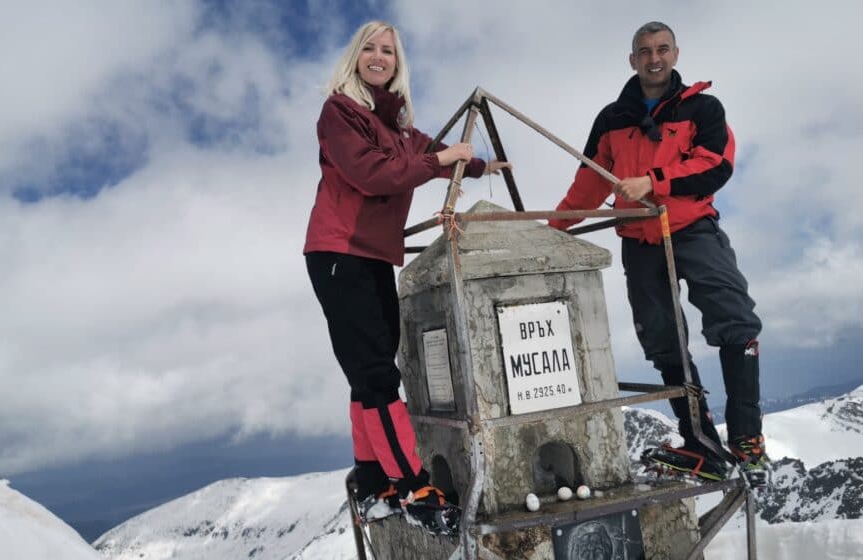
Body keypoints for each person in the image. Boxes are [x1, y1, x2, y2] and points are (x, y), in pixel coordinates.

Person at [304, 20, 510, 531]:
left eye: (389, 51)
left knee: (366, 373)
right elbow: (372, 174)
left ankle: (373, 481)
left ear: (398, 63)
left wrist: (479, 167)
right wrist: (443, 158)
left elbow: (426, 156)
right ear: (355, 57)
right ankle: (412, 487)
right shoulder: (341, 112)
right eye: (370, 49)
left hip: (372, 255)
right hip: (339, 252)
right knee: (376, 374)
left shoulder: (393, 123)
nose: (379, 57)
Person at [548, 21, 769, 483]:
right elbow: (589, 182)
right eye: (645, 51)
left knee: (734, 318)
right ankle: (700, 443)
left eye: (662, 49)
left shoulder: (703, 108)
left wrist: (653, 182)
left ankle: (747, 441)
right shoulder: (612, 119)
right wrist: (553, 228)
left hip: (692, 229)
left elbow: (716, 165)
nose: (654, 58)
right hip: (640, 239)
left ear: (675, 54)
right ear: (633, 60)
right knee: (663, 340)